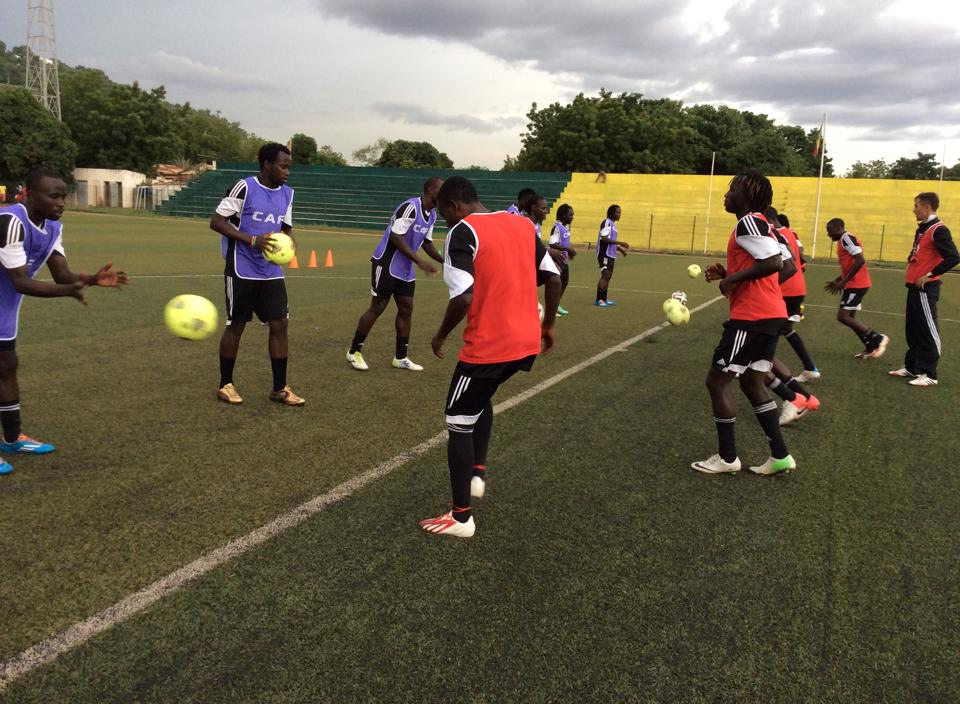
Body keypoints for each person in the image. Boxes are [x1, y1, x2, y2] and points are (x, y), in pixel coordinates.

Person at [420, 176, 561, 538]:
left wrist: (440, 334)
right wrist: (548, 327)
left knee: (457, 419)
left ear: (453, 206)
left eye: (444, 215)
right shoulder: (520, 223)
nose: (446, 222)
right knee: (480, 400)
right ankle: (477, 473)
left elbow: (464, 297)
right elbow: (553, 275)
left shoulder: (462, 231)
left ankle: (461, 517)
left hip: (489, 346)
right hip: (525, 342)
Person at [0, 168, 128, 476]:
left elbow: (62, 275)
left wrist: (93, 280)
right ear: (30, 196)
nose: (61, 203)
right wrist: (68, 292)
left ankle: (13, 438)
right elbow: (21, 281)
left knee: (6, 364)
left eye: (63, 196)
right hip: (9, 295)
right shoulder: (10, 222)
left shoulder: (53, 228)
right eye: (53, 196)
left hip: (4, 307)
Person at [693, 170, 795, 476]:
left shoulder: (748, 221)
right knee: (752, 383)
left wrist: (733, 281)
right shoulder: (767, 226)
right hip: (771, 313)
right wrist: (733, 275)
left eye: (732, 189)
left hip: (751, 317)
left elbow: (775, 264)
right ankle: (780, 456)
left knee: (717, 381)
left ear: (747, 195)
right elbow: (788, 266)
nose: (727, 194)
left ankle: (727, 459)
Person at [210, 142, 304, 406]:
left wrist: (290, 242)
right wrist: (252, 240)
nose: (287, 172)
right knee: (237, 324)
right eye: (283, 166)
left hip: (271, 271)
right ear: (267, 164)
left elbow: (285, 228)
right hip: (242, 267)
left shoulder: (287, 194)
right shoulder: (245, 187)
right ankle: (225, 384)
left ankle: (279, 388)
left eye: (289, 167)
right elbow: (216, 221)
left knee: (280, 324)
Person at [347, 178, 444, 371]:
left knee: (406, 309)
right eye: (442, 189)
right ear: (431, 190)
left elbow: (426, 242)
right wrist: (419, 261)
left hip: (405, 269)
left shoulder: (432, 214)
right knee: (378, 306)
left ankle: (401, 357)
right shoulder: (411, 207)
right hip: (386, 263)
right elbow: (395, 235)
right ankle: (353, 352)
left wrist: (444, 261)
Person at [888, 192, 960, 386]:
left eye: (917, 206)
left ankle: (930, 374)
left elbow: (953, 256)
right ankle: (912, 367)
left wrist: (929, 275)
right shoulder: (923, 229)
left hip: (926, 289)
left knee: (928, 330)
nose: (914, 209)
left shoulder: (938, 229)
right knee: (913, 330)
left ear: (927, 207)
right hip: (913, 287)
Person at [765, 207, 819, 381]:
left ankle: (757, 366)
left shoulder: (771, 232)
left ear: (768, 219)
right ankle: (810, 368)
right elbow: (801, 258)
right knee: (786, 329)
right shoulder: (791, 233)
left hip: (784, 288)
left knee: (764, 327)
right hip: (798, 287)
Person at [824, 218, 889, 359]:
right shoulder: (843, 240)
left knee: (843, 316)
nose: (829, 235)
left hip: (857, 284)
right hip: (854, 284)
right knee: (850, 317)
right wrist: (839, 280)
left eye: (830, 231)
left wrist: (844, 281)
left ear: (839, 228)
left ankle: (878, 338)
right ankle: (870, 347)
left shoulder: (846, 238)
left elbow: (860, 259)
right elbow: (850, 264)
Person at [594, 204, 629, 307]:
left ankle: (604, 298)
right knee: (605, 275)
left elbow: (611, 241)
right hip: (604, 254)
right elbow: (604, 238)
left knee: (608, 276)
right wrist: (621, 243)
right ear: (612, 213)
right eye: (618, 212)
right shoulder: (607, 223)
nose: (620, 214)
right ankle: (599, 299)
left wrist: (620, 249)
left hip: (611, 254)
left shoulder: (613, 225)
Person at [548, 203, 577, 316]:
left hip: (564, 259)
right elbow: (553, 244)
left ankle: (557, 304)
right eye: (570, 215)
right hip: (557, 259)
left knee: (565, 281)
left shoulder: (567, 227)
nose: (572, 217)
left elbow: (565, 242)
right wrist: (568, 249)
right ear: (564, 215)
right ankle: (553, 307)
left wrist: (569, 252)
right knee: (557, 283)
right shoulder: (557, 227)